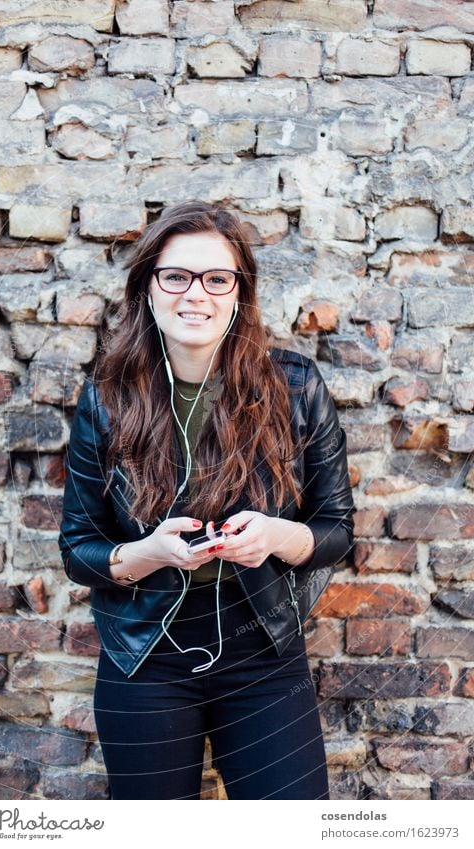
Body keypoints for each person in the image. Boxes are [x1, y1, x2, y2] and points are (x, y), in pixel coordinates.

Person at [58, 201, 355, 800]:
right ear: (147, 287)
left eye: (217, 279)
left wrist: (274, 537)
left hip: (263, 651)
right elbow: (78, 550)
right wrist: (151, 552)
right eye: (177, 276)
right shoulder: (107, 399)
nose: (197, 294)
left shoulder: (296, 387)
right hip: (145, 654)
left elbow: (337, 530)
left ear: (240, 292)